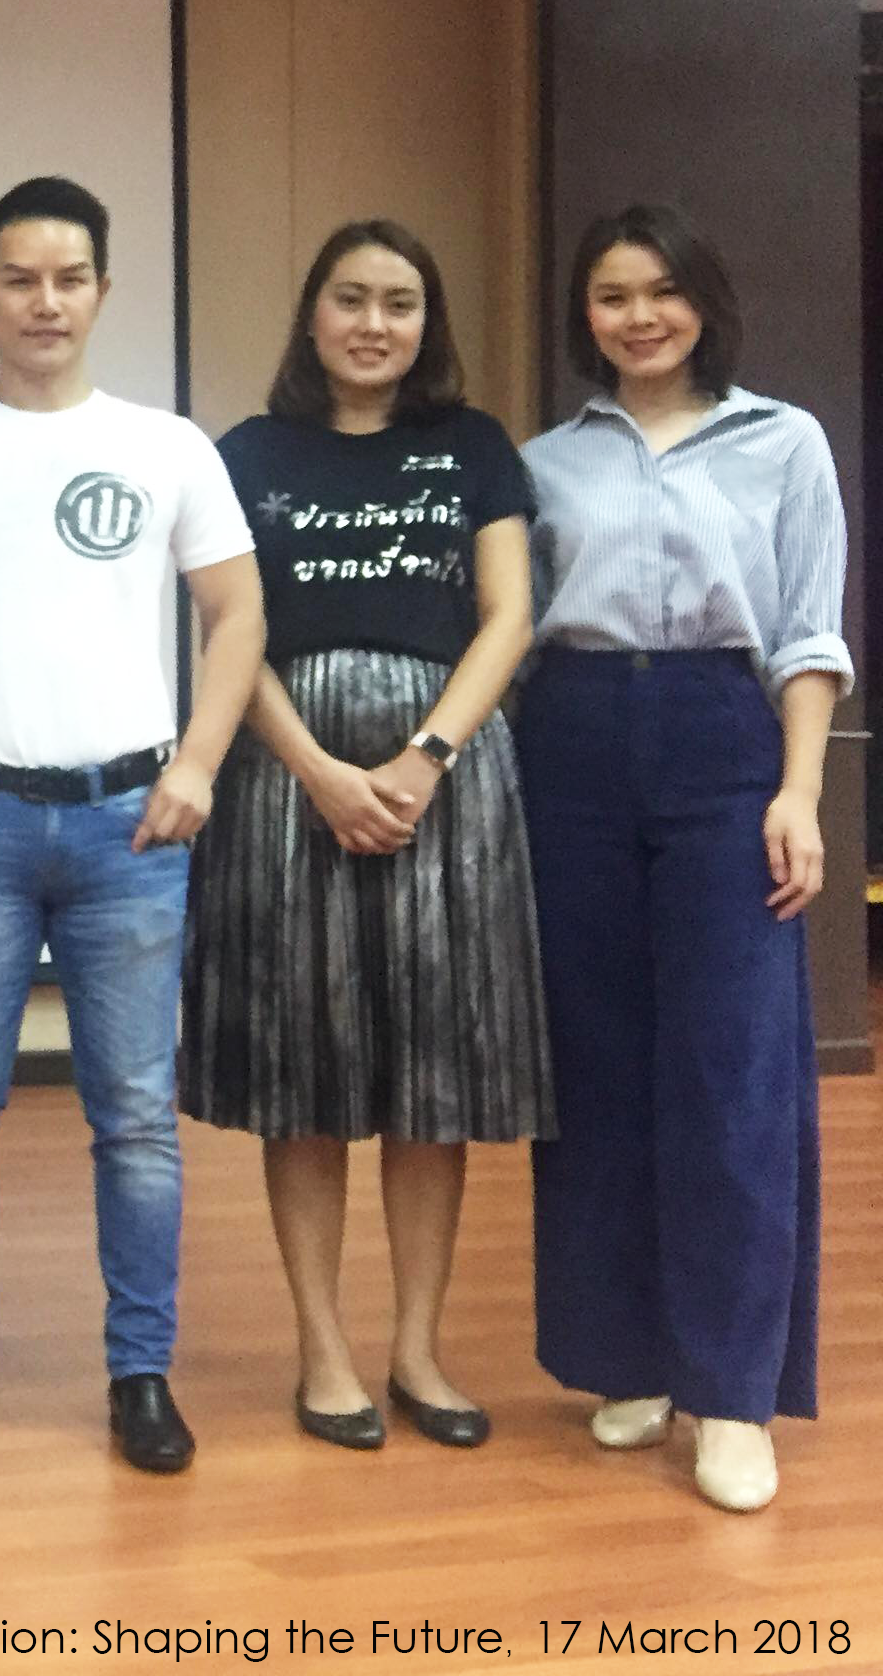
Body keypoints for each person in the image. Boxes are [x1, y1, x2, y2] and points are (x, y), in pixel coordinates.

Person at [0, 175, 262, 1474]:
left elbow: (237, 613)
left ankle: (141, 1373)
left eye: (70, 278)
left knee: (136, 1117)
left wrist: (198, 763)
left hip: (127, 830)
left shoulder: (167, 446)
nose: (46, 301)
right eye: (19, 279)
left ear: (102, 291)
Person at [179, 221, 553, 1453]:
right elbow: (230, 634)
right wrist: (320, 772)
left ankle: (419, 1349)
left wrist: (420, 757)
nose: (373, 323)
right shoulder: (245, 453)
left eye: (399, 301)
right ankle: (323, 1350)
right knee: (303, 1067)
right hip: (286, 777)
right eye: (350, 298)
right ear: (313, 312)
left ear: (425, 321)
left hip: (445, 777)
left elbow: (507, 617)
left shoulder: (475, 446)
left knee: (431, 1076)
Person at [517, 203, 847, 1513]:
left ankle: (733, 1393)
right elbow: (514, 631)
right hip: (573, 739)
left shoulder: (783, 442)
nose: (638, 316)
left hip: (725, 739)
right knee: (593, 1065)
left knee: (731, 1069)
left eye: (661, 291)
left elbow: (809, 632)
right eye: (612, 295)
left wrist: (798, 789)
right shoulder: (544, 462)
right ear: (583, 314)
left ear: (702, 301)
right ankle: (626, 1358)